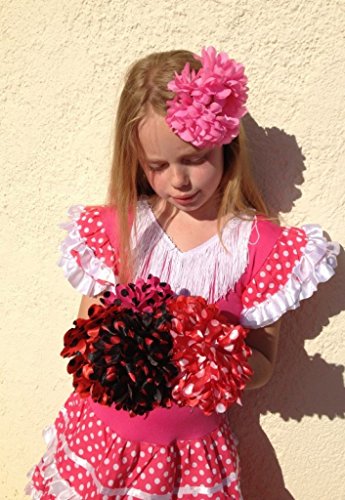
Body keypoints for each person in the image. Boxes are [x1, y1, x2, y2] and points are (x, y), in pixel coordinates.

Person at [26, 47, 339, 499]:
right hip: (100, 439)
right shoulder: (118, 230)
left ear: (226, 143)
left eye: (195, 159)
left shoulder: (262, 249)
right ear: (136, 160)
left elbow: (264, 364)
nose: (179, 181)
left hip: (188, 457)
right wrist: (118, 346)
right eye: (157, 166)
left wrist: (207, 355)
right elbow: (88, 339)